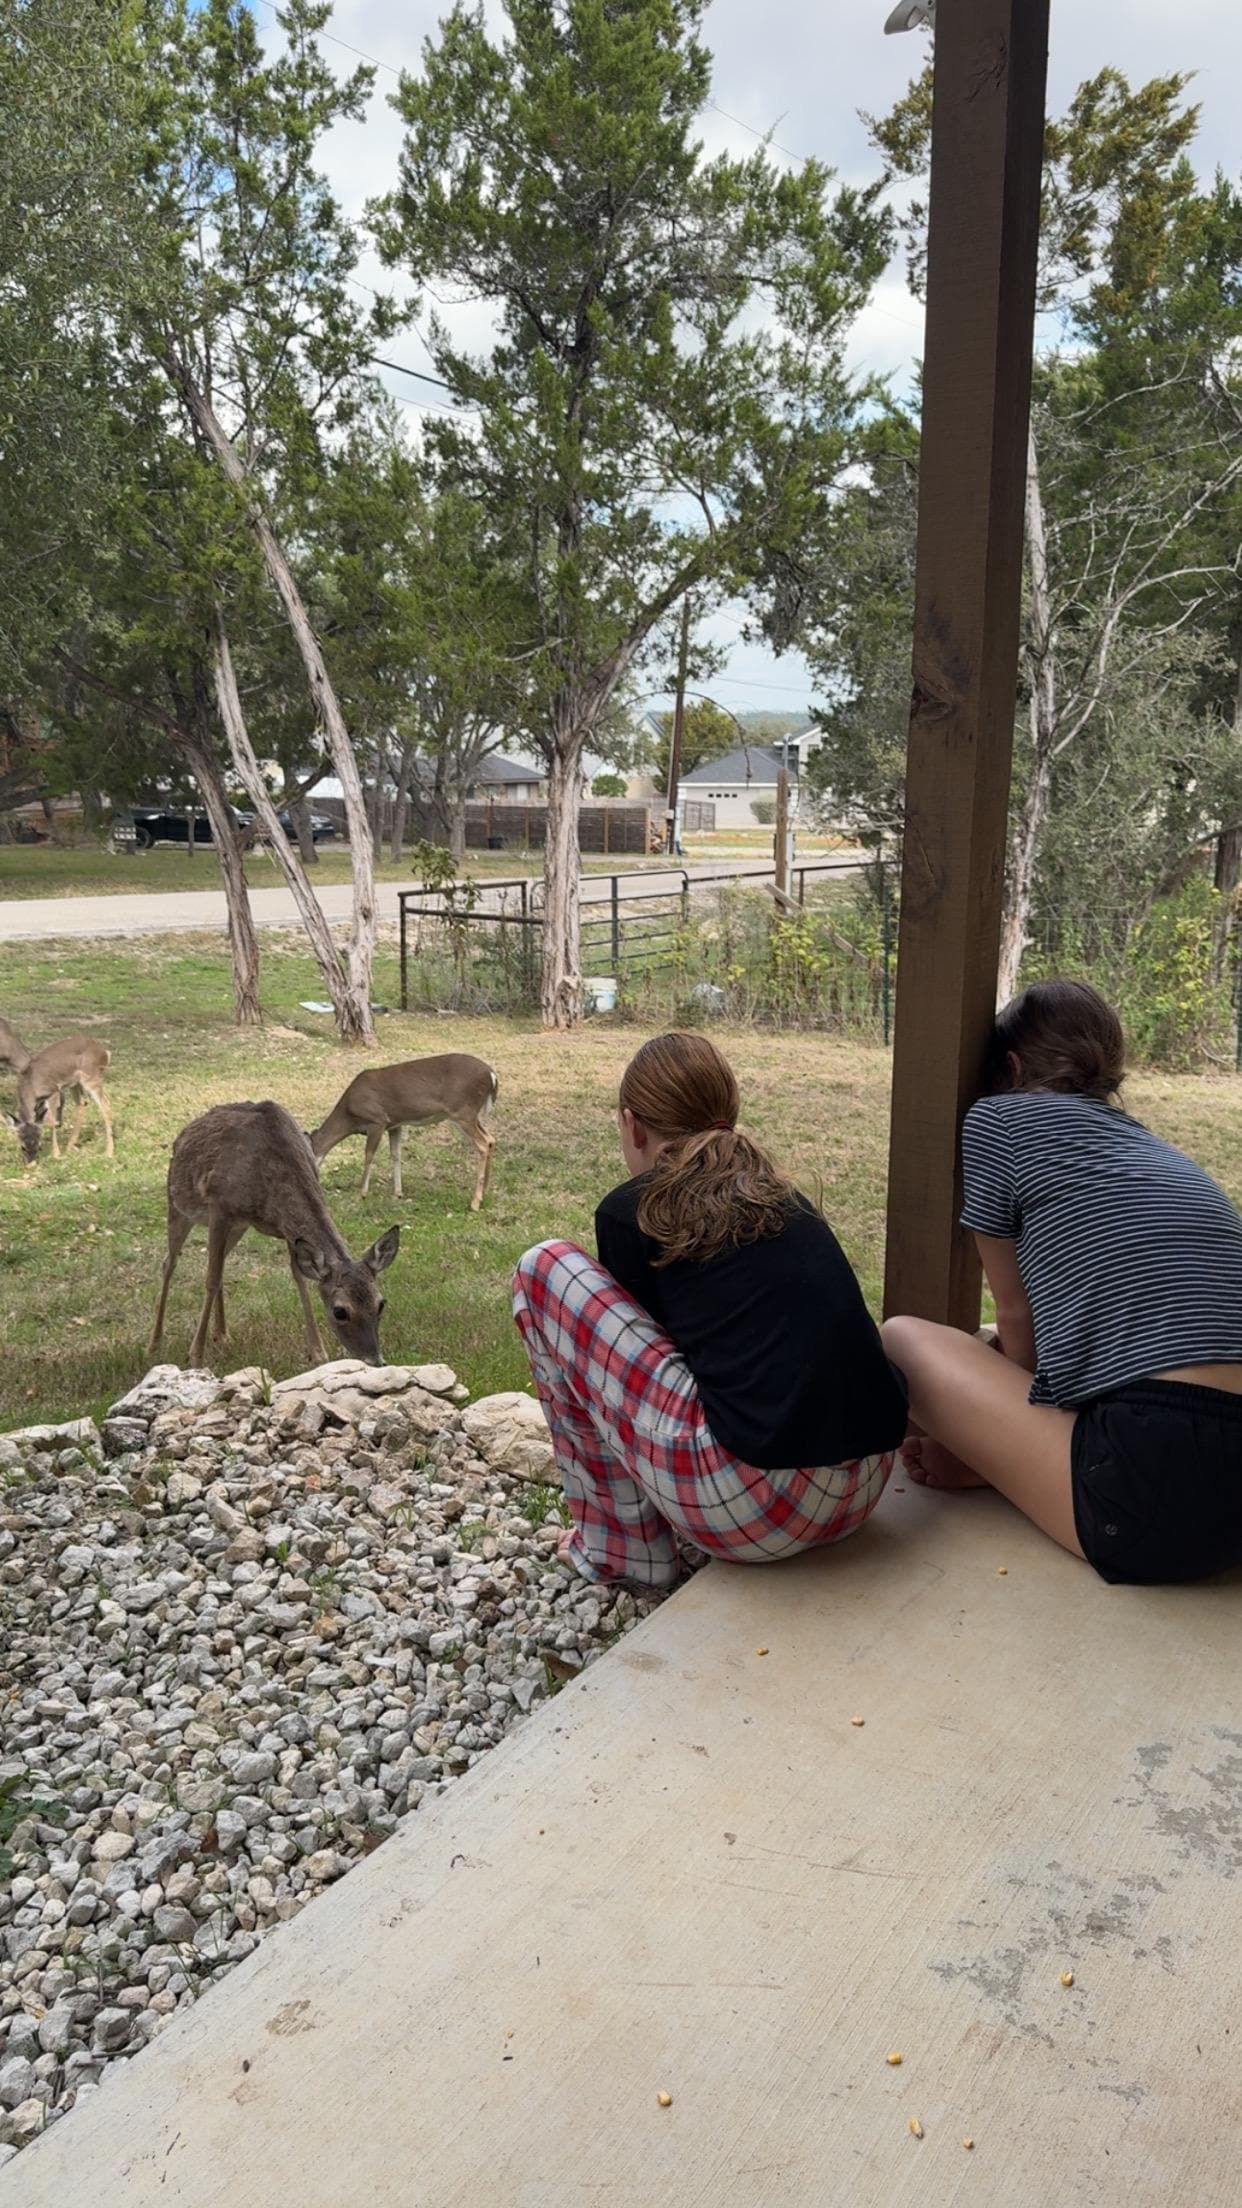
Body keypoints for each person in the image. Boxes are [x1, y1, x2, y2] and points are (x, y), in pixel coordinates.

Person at [512, 1030, 908, 1591]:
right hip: (866, 1488)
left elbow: (632, 1384)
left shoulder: (633, 1210)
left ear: (634, 1125)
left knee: (542, 1268)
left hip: (756, 1514)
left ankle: (621, 1553)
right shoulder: (785, 1197)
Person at [882, 978, 1242, 1584]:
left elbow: (1020, 1323)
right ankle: (1026, 1465)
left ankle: (1009, 1464)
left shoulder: (996, 1120)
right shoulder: (1155, 1151)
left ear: (1013, 1067)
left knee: (902, 1341)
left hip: (1159, 1491)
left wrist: (986, 1428)